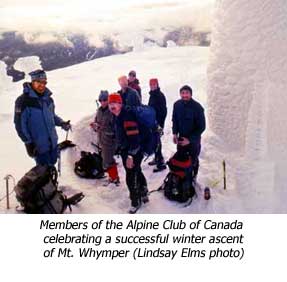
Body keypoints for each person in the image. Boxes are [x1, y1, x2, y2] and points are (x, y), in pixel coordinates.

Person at [14, 69, 71, 166]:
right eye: (38, 82)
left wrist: (62, 123)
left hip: (52, 144)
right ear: (32, 82)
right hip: (39, 148)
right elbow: (20, 126)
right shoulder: (23, 101)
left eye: (44, 82)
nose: (42, 85)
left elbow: (52, 116)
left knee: (52, 168)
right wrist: (28, 143)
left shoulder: (48, 99)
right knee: (43, 173)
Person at [108, 93, 148, 213]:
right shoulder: (118, 115)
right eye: (110, 104)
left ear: (120, 104)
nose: (111, 106)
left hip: (133, 150)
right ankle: (144, 191)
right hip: (129, 149)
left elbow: (134, 139)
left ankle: (135, 201)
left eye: (114, 103)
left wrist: (130, 155)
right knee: (136, 170)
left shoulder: (127, 117)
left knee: (130, 176)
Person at [172, 85, 206, 180]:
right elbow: (175, 120)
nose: (184, 95)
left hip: (193, 141)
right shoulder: (177, 105)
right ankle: (183, 178)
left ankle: (193, 177)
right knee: (182, 158)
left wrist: (190, 140)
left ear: (191, 94)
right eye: (182, 93)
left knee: (193, 160)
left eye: (187, 93)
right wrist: (174, 133)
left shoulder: (197, 107)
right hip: (181, 139)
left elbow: (202, 127)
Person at [90, 90, 120, 186]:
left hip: (110, 141)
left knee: (108, 160)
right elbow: (97, 121)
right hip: (102, 139)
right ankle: (113, 177)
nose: (102, 102)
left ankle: (115, 178)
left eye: (104, 100)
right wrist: (95, 126)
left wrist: (101, 127)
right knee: (107, 159)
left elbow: (115, 128)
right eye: (100, 100)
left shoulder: (112, 111)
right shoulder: (99, 111)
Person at [147, 78, 167, 172]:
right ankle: (157, 158)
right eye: (151, 85)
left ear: (157, 85)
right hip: (152, 122)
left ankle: (161, 163)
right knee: (154, 141)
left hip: (157, 124)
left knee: (157, 141)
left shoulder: (160, 96)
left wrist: (160, 124)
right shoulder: (152, 95)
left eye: (154, 84)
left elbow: (163, 112)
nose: (152, 86)